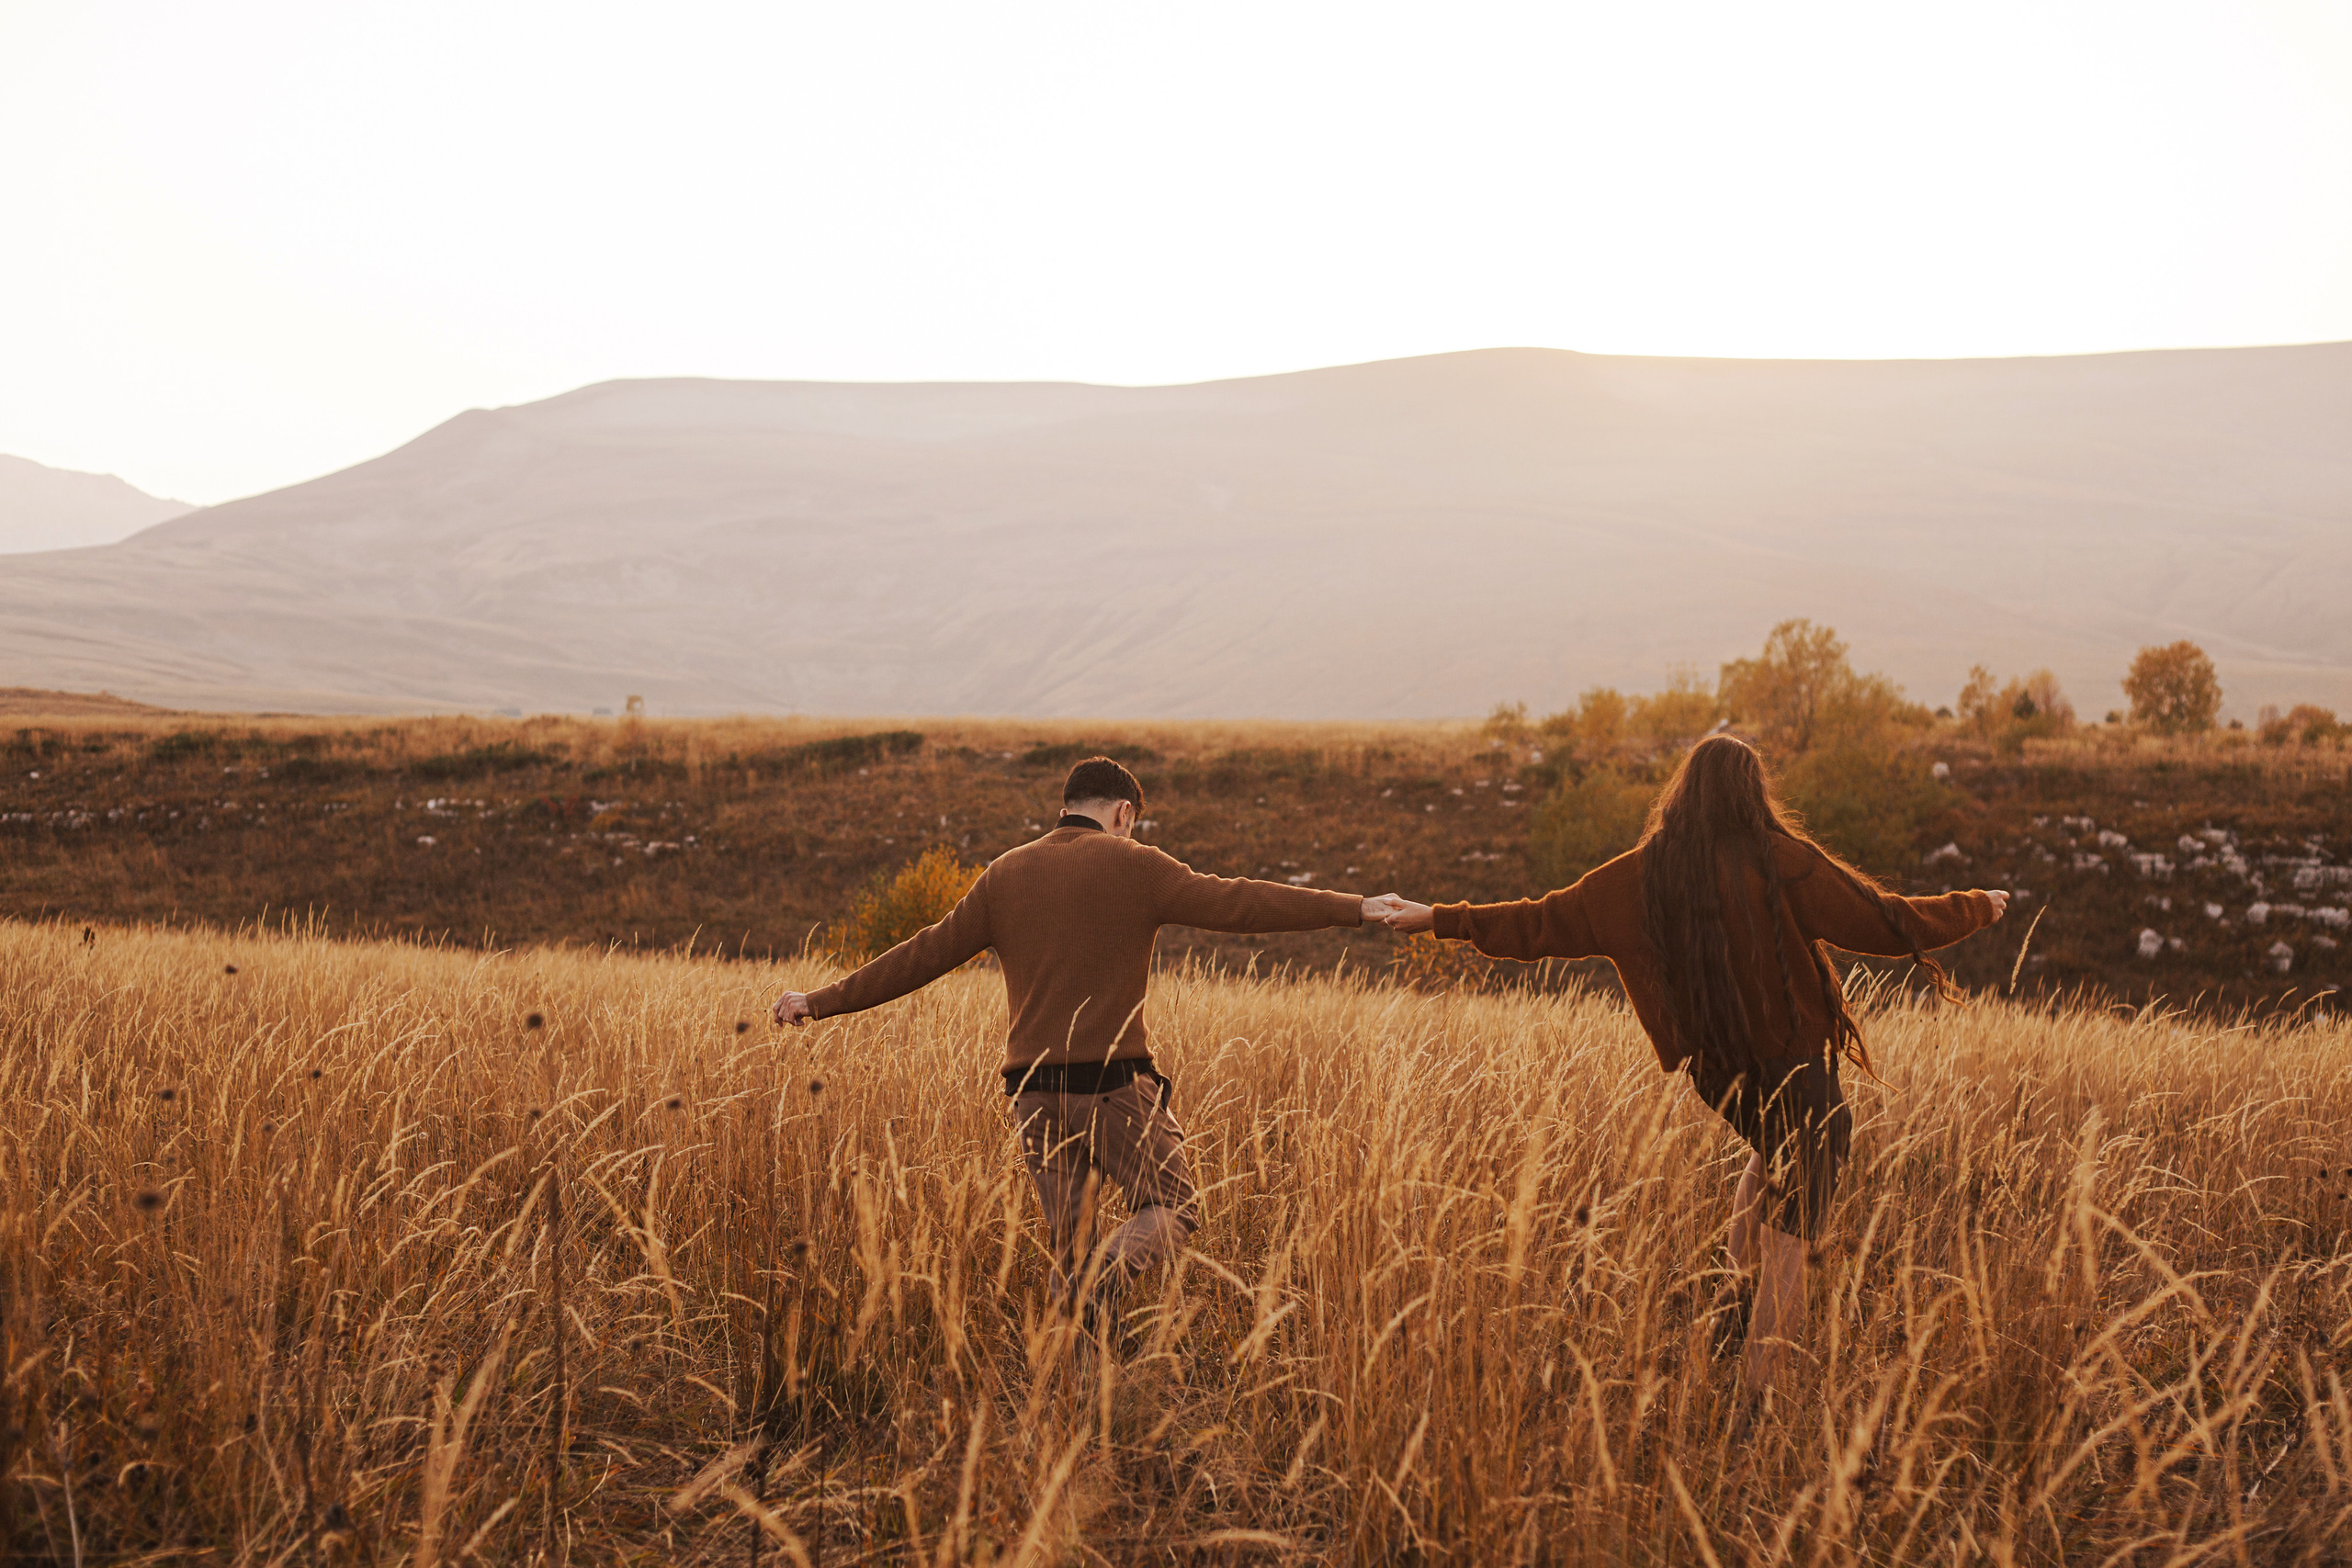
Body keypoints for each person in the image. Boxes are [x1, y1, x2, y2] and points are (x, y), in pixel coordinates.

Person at [1379, 734, 2007, 1394]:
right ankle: (1755, 1399)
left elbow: (1538, 923)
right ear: (1750, 791)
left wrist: (1437, 917)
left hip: (1720, 1074)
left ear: (1685, 793)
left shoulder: (1641, 875)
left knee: (1769, 1156)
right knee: (1795, 1234)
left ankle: (1729, 1315)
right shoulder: (1780, 859)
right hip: (1797, 1071)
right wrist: (1976, 906)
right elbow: (1885, 921)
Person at [774, 755, 1404, 1336]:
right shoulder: (1138, 864)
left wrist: (819, 1000)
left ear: (1066, 804)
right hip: (1113, 1085)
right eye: (1132, 821)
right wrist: (1358, 907)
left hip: (1031, 1093)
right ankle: (1102, 1283)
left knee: (1067, 1245)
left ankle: (1072, 1393)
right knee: (1172, 1206)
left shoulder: (1006, 873)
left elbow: (923, 954)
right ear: (1123, 813)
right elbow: (1241, 901)